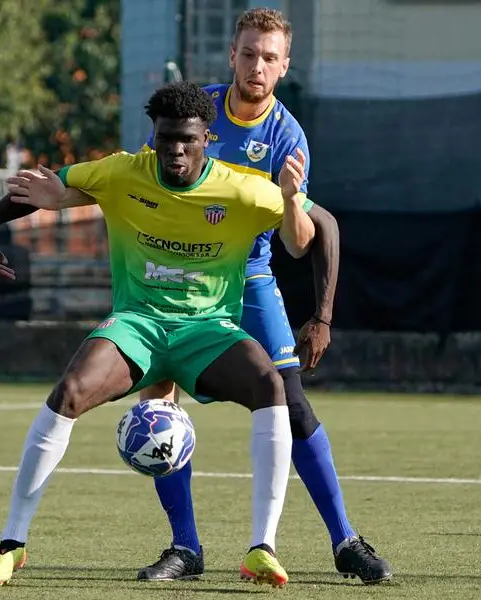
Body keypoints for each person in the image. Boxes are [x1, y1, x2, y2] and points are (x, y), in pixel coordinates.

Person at [0, 80, 318, 588]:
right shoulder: (119, 171)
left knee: (271, 386)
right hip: (137, 326)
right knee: (68, 392)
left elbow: (317, 229)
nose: (175, 149)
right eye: (165, 138)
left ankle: (262, 548)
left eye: (188, 140)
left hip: (209, 330)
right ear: (152, 136)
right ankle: (11, 545)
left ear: (207, 138)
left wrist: (319, 305)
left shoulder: (242, 188)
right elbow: (46, 187)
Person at [132, 8, 391, 584]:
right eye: (249, 53)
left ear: (284, 67)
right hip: (181, 277)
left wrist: (293, 200)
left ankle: (345, 540)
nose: (257, 65)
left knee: (292, 404)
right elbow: (144, 180)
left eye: (269, 57)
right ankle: (185, 548)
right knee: (160, 403)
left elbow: (299, 245)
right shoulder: (194, 110)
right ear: (232, 55)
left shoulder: (287, 136)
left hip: (248, 279)